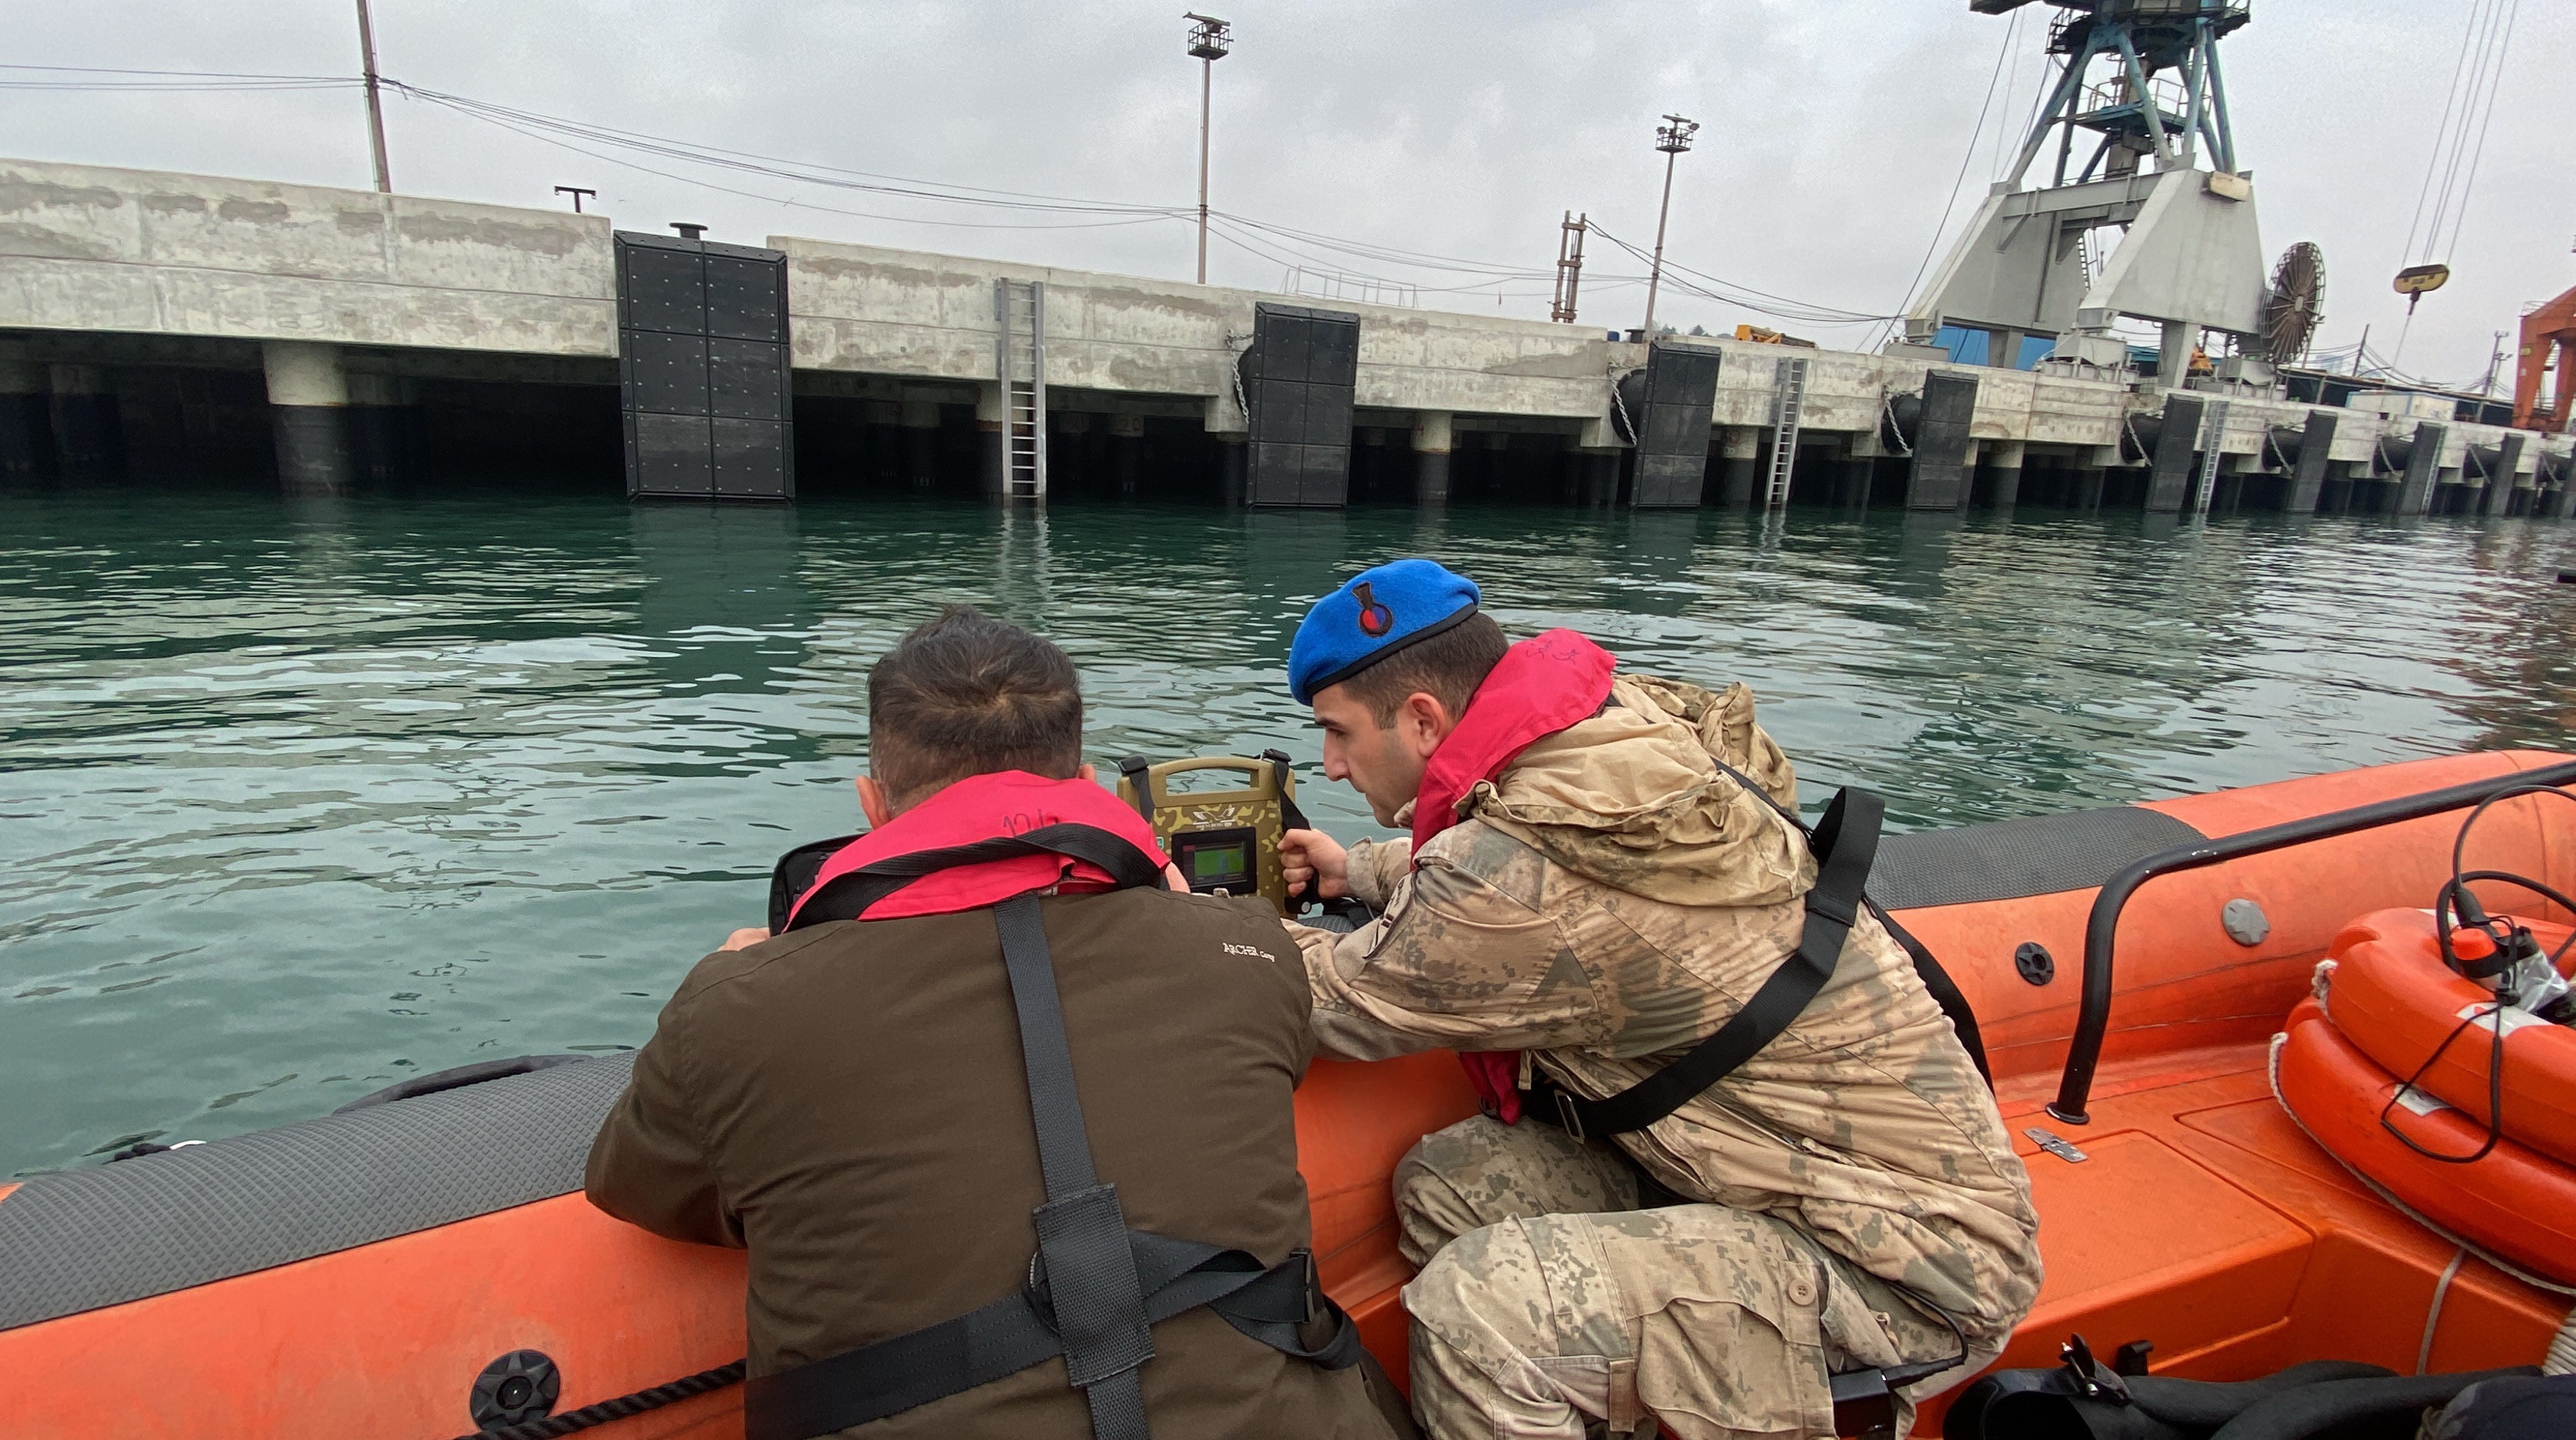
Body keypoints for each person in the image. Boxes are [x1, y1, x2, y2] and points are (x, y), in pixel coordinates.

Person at [587, 606, 1407, 1440]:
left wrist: (745, 974)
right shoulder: (1251, 953)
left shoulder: (733, 1008)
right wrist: (1194, 922)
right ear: (1085, 789)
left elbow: (636, 1184)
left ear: (873, 805)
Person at [1273, 560, 2043, 1440]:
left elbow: (1327, 996)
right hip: (1784, 1177)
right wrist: (1361, 866)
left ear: (1421, 719)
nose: (1328, 766)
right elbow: (1543, 868)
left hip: (1908, 1264)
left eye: (1337, 734)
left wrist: (1178, 920)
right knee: (1454, 1185)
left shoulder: (1516, 880)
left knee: (1479, 1310)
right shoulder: (1615, 739)